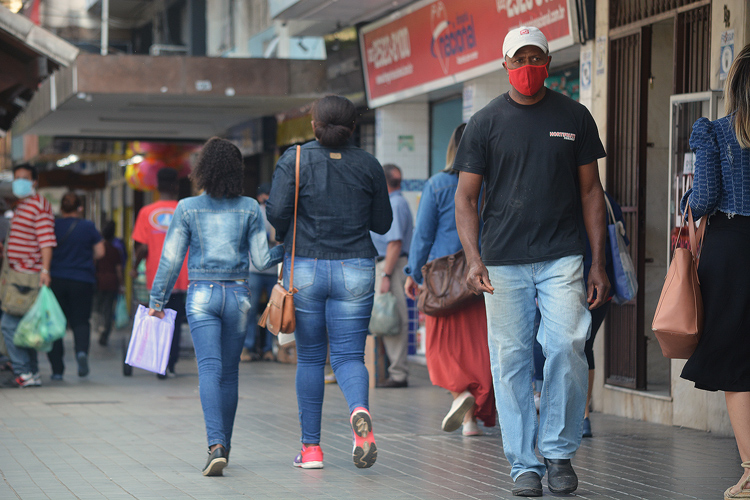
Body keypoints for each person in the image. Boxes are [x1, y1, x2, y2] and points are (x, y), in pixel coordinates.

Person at [453, 26, 610, 497]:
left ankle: (558, 452)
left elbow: (591, 192)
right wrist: (472, 258)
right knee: (511, 360)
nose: (527, 67)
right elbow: (465, 198)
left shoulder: (575, 116)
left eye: (535, 57)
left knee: (567, 345)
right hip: (502, 263)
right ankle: (524, 464)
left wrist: (597, 262)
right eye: (518, 59)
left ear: (548, 60)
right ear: (505, 65)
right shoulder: (485, 123)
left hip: (563, 256)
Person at [266, 95, 392, 470]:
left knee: (309, 358)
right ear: (353, 127)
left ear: (313, 124)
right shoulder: (369, 165)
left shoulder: (296, 158)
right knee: (350, 356)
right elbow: (382, 224)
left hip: (305, 266)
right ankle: (359, 413)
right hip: (355, 267)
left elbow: (275, 212)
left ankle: (311, 450)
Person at [148, 137, 283, 476]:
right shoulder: (251, 207)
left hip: (202, 296)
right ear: (237, 171)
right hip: (237, 296)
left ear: (202, 170)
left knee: (208, 370)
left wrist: (157, 302)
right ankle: (225, 446)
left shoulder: (187, 207)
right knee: (229, 373)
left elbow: (171, 259)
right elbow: (263, 259)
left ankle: (215, 445)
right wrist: (291, 245)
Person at [679, 43, 750, 500]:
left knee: (739, 366)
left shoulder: (716, 133)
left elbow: (703, 198)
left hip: (732, 253)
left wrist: (686, 208)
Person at [404, 123, 496, 436]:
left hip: (443, 281)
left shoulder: (438, 184)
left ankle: (461, 396)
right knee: (478, 345)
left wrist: (413, 273)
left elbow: (423, 233)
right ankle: (471, 419)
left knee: (441, 345)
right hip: (484, 278)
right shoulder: (494, 182)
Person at [532, 191, 625, 438]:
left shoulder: (561, 198)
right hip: (602, 285)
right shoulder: (607, 201)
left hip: (565, 285)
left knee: (558, 345)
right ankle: (582, 416)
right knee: (585, 346)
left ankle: (560, 412)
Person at [0, 164, 56, 388]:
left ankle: (24, 372)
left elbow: (47, 241)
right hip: (18, 274)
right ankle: (31, 372)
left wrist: (45, 270)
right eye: (16, 178)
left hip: (27, 276)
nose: (19, 182)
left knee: (9, 325)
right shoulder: (24, 205)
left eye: (24, 178)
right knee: (27, 326)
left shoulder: (38, 207)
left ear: (34, 181)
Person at [132, 168, 188, 379]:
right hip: (181, 276)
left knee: (156, 319)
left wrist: (133, 266)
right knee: (174, 322)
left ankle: (157, 362)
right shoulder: (186, 210)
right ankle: (169, 365)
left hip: (155, 277)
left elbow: (143, 247)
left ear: (156, 186)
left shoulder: (146, 212)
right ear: (176, 186)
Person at [47, 192, 104, 379]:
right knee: (80, 321)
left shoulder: (53, 226)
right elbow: (100, 252)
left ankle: (57, 370)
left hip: (56, 280)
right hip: (82, 279)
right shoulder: (87, 226)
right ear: (80, 208)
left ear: (61, 208)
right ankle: (81, 352)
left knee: (56, 324)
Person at [370, 163, 413, 388]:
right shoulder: (397, 201)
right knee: (389, 316)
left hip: (392, 265)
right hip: (391, 263)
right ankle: (394, 369)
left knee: (392, 317)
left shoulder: (394, 204)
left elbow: (394, 243)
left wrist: (386, 274)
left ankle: (398, 374)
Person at [241, 182, 278, 363]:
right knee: (251, 309)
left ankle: (268, 349)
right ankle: (248, 347)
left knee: (273, 311)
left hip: (273, 270)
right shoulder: (256, 212)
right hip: (255, 269)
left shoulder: (279, 212)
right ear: (261, 197)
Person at [94, 221, 125, 347]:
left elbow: (94, 264)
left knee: (98, 307)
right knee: (108, 308)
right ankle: (105, 331)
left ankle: (99, 328)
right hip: (112, 282)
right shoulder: (115, 250)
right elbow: (118, 270)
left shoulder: (98, 249)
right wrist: (121, 284)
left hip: (99, 281)